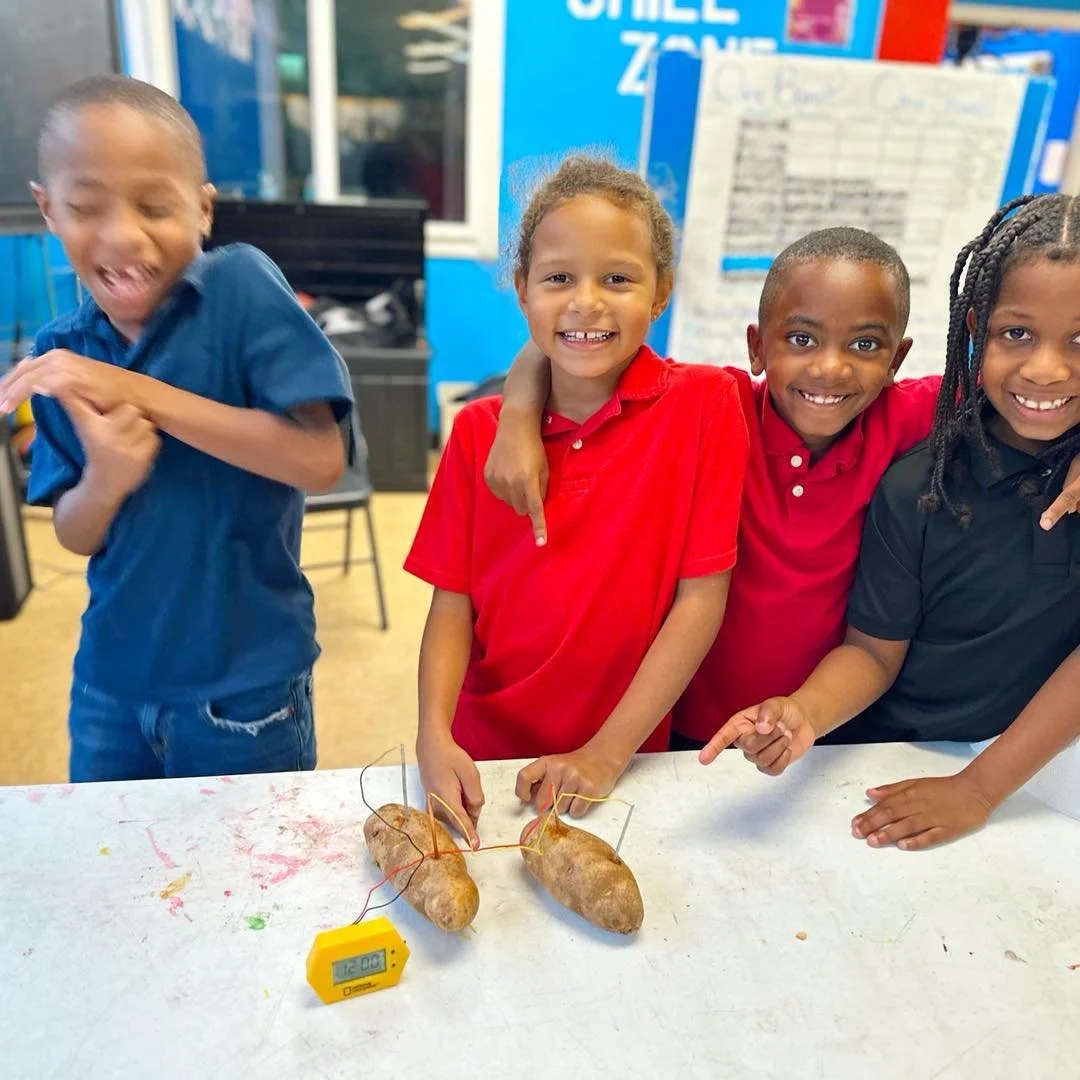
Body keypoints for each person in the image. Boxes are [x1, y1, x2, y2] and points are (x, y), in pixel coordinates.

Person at [0, 75, 353, 782]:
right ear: (48, 210)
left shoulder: (242, 288)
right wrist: (105, 479)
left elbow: (321, 461)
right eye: (85, 207)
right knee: (113, 872)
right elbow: (74, 532)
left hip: (246, 686)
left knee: (247, 880)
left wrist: (135, 392)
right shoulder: (60, 353)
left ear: (203, 209)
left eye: (156, 206)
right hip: (111, 680)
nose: (123, 235)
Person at [703, 194, 1080, 850]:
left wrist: (983, 786)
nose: (1045, 368)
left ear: (895, 358)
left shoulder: (927, 410)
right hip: (864, 753)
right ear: (975, 334)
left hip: (1034, 775)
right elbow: (590, 366)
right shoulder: (916, 474)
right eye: (1016, 332)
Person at [405, 157, 748, 846]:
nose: (586, 301)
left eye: (617, 278)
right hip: (485, 758)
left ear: (661, 293)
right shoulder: (478, 434)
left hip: (622, 762)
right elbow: (452, 604)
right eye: (559, 278)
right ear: (523, 290)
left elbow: (700, 600)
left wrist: (607, 752)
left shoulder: (707, 406)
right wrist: (432, 737)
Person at [491, 227, 941, 749]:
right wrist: (519, 409)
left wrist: (1067, 460)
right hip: (684, 724)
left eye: (864, 344)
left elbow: (1025, 386)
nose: (829, 367)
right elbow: (580, 351)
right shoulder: (713, 405)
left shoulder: (912, 415)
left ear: (896, 361)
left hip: (830, 729)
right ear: (757, 346)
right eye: (801, 339)